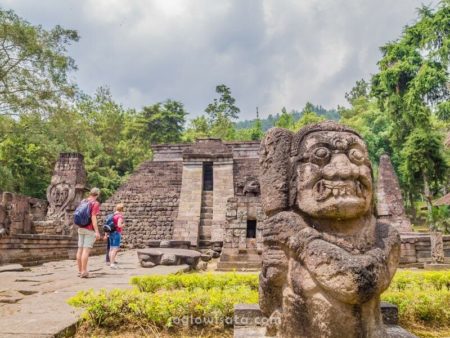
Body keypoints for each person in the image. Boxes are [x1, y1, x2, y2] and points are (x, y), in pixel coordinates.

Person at [76, 188, 101, 278]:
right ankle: (84, 272)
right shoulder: (95, 203)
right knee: (86, 251)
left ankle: (80, 271)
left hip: (80, 228)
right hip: (89, 229)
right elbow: (93, 218)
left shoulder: (83, 201)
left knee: (80, 249)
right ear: (97, 194)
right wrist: (97, 231)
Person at [109, 203, 124, 269]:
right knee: (115, 249)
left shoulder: (113, 215)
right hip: (116, 233)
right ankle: (112, 264)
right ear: (122, 209)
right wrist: (123, 225)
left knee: (111, 248)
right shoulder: (119, 216)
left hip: (111, 232)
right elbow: (119, 225)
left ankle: (111, 262)